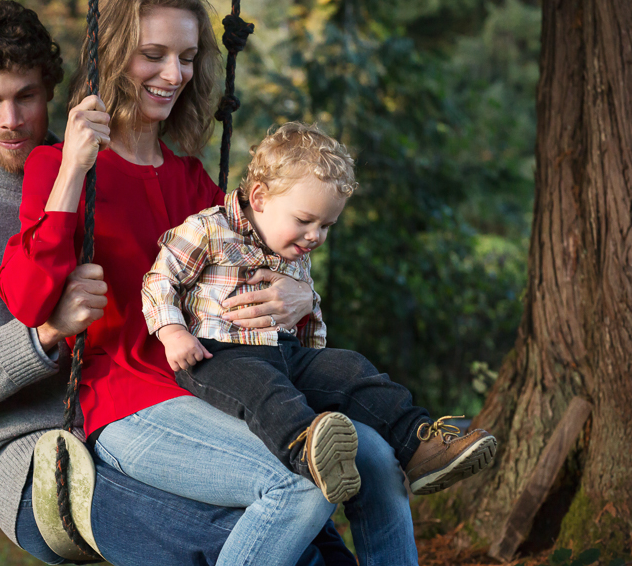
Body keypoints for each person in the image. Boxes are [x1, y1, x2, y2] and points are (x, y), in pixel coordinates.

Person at [0, 0, 359, 566]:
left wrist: (299, 293)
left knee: (322, 541)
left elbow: (235, 258)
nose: (12, 120)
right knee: (246, 538)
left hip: (166, 406)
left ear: (55, 92)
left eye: (27, 97)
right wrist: (43, 335)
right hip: (43, 453)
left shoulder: (113, 169)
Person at [0, 0, 423, 566]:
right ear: (115, 57)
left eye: (188, 58)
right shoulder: (58, 167)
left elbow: (255, 271)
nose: (174, 75)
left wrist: (300, 296)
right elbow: (26, 300)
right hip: (128, 402)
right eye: (154, 55)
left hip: (221, 384)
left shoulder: (193, 181)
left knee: (375, 456)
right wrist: (72, 170)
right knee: (301, 482)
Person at [142, 121, 497, 503]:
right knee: (266, 390)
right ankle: (309, 452)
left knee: (354, 369)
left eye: (327, 225)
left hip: (287, 353)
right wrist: (172, 331)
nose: (315, 236)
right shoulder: (209, 229)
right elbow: (161, 278)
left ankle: (421, 448)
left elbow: (307, 320)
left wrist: (319, 359)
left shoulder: (296, 251)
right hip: (219, 356)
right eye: (305, 220)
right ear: (259, 198)